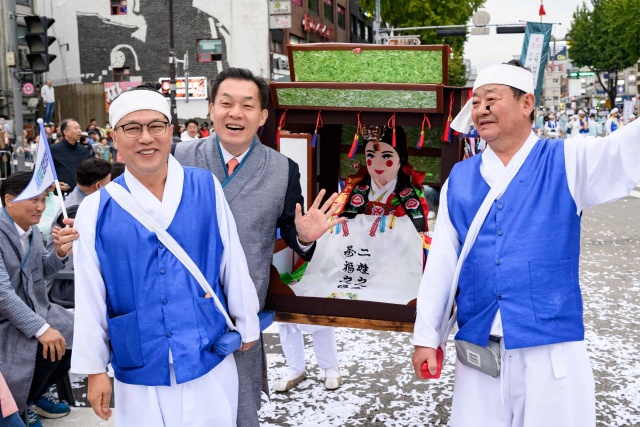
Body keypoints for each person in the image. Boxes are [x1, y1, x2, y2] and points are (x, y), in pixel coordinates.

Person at [411, 59, 640, 427]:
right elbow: (442, 263)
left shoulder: (568, 161)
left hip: (551, 350)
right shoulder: (462, 177)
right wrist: (426, 336)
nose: (481, 109)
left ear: (527, 103)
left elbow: (625, 149)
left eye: (492, 99)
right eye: (476, 101)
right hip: (479, 347)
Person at [70, 85, 262, 426]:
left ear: (170, 131)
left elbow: (230, 260)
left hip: (205, 349)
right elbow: (90, 294)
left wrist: (247, 323)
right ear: (115, 137)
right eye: (133, 128)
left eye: (155, 126)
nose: (146, 138)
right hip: (138, 358)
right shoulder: (96, 209)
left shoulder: (205, 186)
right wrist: (95, 369)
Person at [173, 67, 344, 427]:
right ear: (211, 108)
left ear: (263, 116)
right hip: (180, 307)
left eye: (248, 105)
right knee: (183, 407)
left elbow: (290, 231)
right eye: (226, 103)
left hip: (242, 312)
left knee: (238, 407)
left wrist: (306, 237)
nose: (236, 113)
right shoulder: (178, 158)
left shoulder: (283, 169)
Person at [0, 172, 78, 427]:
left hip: (35, 307)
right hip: (6, 319)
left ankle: (33, 396)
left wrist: (59, 251)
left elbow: (42, 268)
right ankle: (21, 404)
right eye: (34, 200)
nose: (41, 207)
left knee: (80, 335)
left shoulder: (31, 231)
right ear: (9, 200)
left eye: (43, 199)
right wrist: (41, 329)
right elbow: (2, 294)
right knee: (45, 344)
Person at [46, 158, 112, 308]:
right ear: (99, 186)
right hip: (70, 284)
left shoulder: (82, 200)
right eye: (110, 182)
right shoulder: (75, 211)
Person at [49, 119, 92, 192]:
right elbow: (41, 172)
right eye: (76, 128)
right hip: (60, 195)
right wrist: (52, 184)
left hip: (81, 194)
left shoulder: (83, 151)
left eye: (80, 128)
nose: (79, 131)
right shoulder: (53, 150)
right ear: (65, 132)